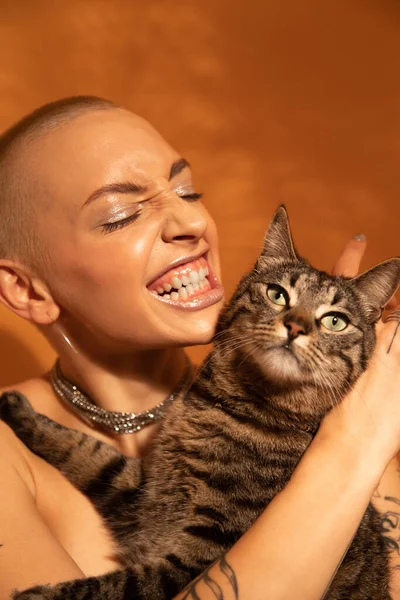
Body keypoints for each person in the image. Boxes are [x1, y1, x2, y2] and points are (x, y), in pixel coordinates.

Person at [0, 96, 399, 600]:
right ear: (27, 290)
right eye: (121, 214)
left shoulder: (349, 419)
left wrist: (350, 410)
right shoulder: (355, 436)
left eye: (189, 191)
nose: (191, 223)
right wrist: (353, 445)